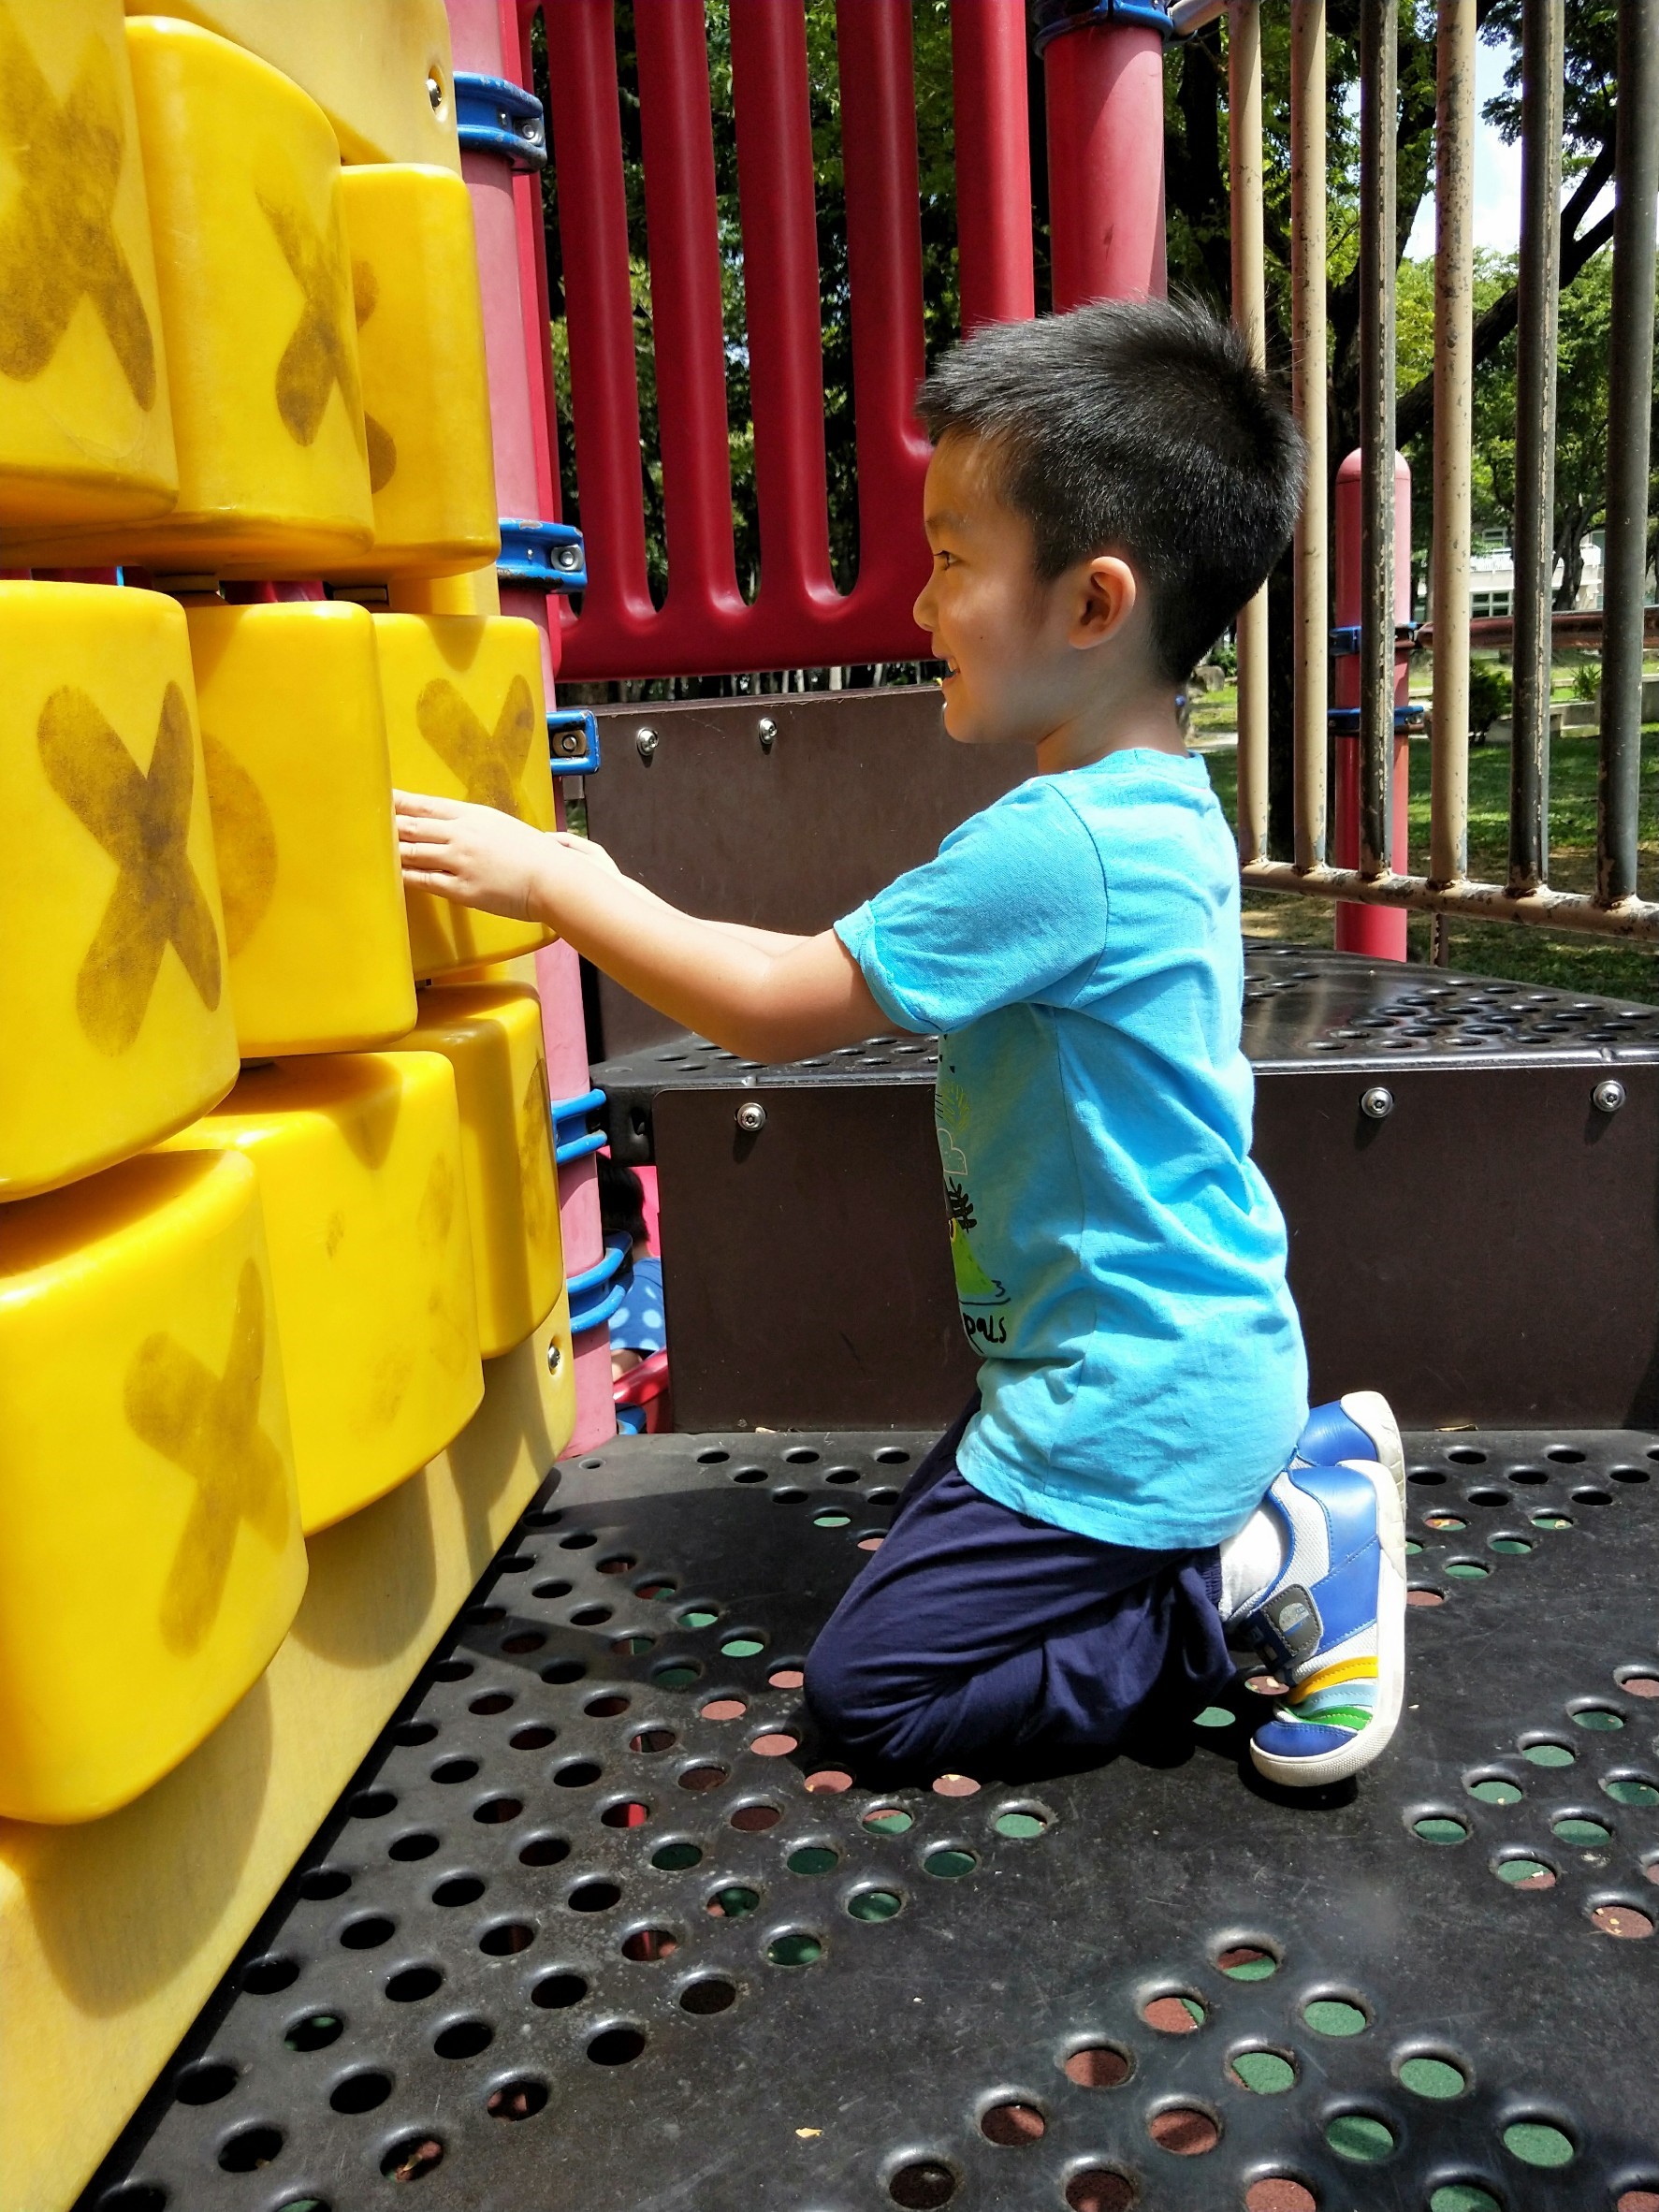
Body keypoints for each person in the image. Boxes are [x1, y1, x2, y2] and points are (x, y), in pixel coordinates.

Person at [393, 299, 1406, 1792]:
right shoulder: (1153, 807)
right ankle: (1265, 1493)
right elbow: (804, 970)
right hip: (1142, 1361)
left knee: (875, 1696)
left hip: (1133, 1404)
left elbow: (772, 1002)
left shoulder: (1060, 845)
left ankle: (1253, 1567)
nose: (919, 608)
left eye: (950, 561)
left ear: (1091, 604)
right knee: (916, 1579)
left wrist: (561, 888)